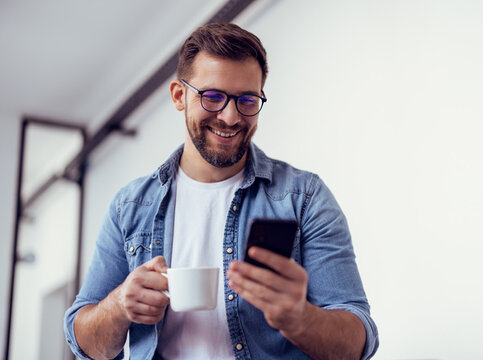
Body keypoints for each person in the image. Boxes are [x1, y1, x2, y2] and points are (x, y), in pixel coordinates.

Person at [63, 22, 378, 360]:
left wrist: (300, 318)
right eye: (213, 97)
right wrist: (120, 304)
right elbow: (85, 344)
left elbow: (359, 340)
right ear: (179, 96)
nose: (230, 117)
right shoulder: (130, 206)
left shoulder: (304, 199)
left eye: (247, 100)